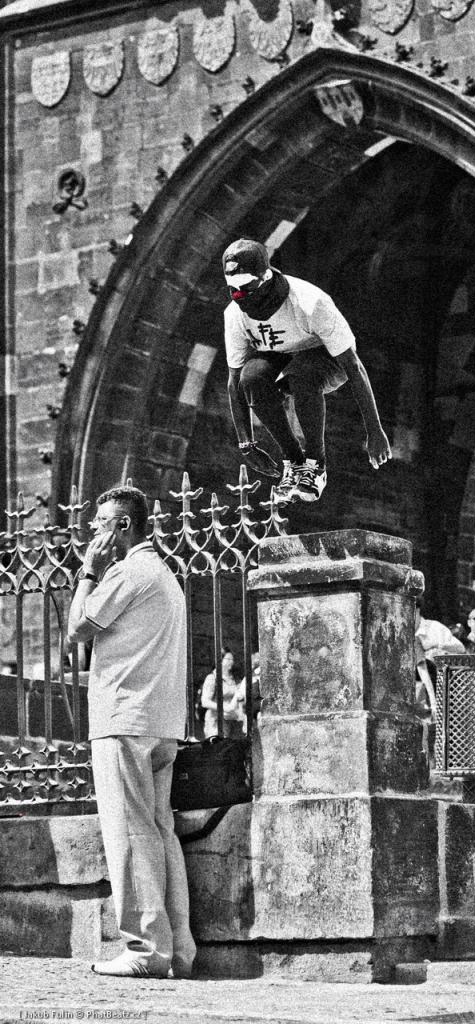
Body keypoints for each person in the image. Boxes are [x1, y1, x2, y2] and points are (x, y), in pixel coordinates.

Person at [67, 486, 195, 980]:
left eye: (101, 523)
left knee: (130, 834)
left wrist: (88, 571)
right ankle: (179, 950)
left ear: (123, 526)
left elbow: (78, 626)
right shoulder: (163, 575)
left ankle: (145, 947)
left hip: (124, 718)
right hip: (161, 723)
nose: (94, 532)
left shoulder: (127, 572)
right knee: (162, 832)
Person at [222, 238, 392, 504]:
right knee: (251, 376)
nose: (240, 296)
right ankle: (294, 462)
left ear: (265, 277)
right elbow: (235, 382)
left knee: (303, 373)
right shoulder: (235, 314)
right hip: (279, 357)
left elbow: (353, 365)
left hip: (326, 357)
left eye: (246, 286)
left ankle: (316, 465)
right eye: (233, 289)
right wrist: (246, 445)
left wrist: (374, 430)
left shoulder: (310, 302)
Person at [201, 648, 246, 740]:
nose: (231, 662)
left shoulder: (235, 678)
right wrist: (224, 708)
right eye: (228, 659)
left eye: (232, 660)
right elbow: (205, 701)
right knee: (219, 749)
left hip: (233, 721)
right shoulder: (212, 678)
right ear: (220, 660)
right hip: (217, 722)